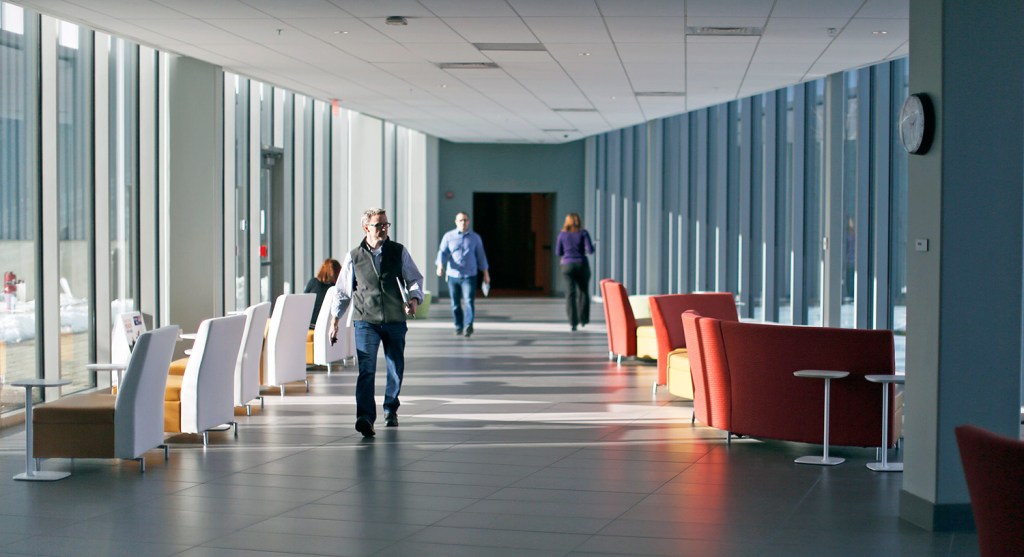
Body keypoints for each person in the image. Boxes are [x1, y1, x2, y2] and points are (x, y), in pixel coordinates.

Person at [329, 208, 423, 437]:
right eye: (378, 225)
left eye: (385, 225)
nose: (383, 229)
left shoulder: (398, 251)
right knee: (366, 370)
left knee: (395, 366)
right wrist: (335, 321)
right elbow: (342, 292)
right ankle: (365, 417)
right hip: (365, 320)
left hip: (395, 319)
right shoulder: (353, 256)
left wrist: (414, 299)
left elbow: (414, 278)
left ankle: (391, 408)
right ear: (366, 228)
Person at [435, 211, 490, 337]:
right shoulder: (448, 236)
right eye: (460, 220)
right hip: (453, 275)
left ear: (468, 221)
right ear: (456, 222)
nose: (463, 222)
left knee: (469, 300)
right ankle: (458, 325)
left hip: (469, 276)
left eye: (465, 220)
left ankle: (468, 325)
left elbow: (481, 256)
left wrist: (486, 273)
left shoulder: (475, 238)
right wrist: (440, 266)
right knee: (455, 303)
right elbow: (442, 253)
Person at [556, 213, 595, 331]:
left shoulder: (562, 235)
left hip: (567, 265)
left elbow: (558, 252)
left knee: (570, 294)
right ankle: (583, 319)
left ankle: (573, 322)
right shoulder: (583, 233)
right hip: (581, 264)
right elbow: (590, 250)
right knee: (583, 292)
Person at [303, 258, 341, 327]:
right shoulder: (336, 289)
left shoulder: (313, 283)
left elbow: (304, 303)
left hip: (310, 326)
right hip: (329, 327)